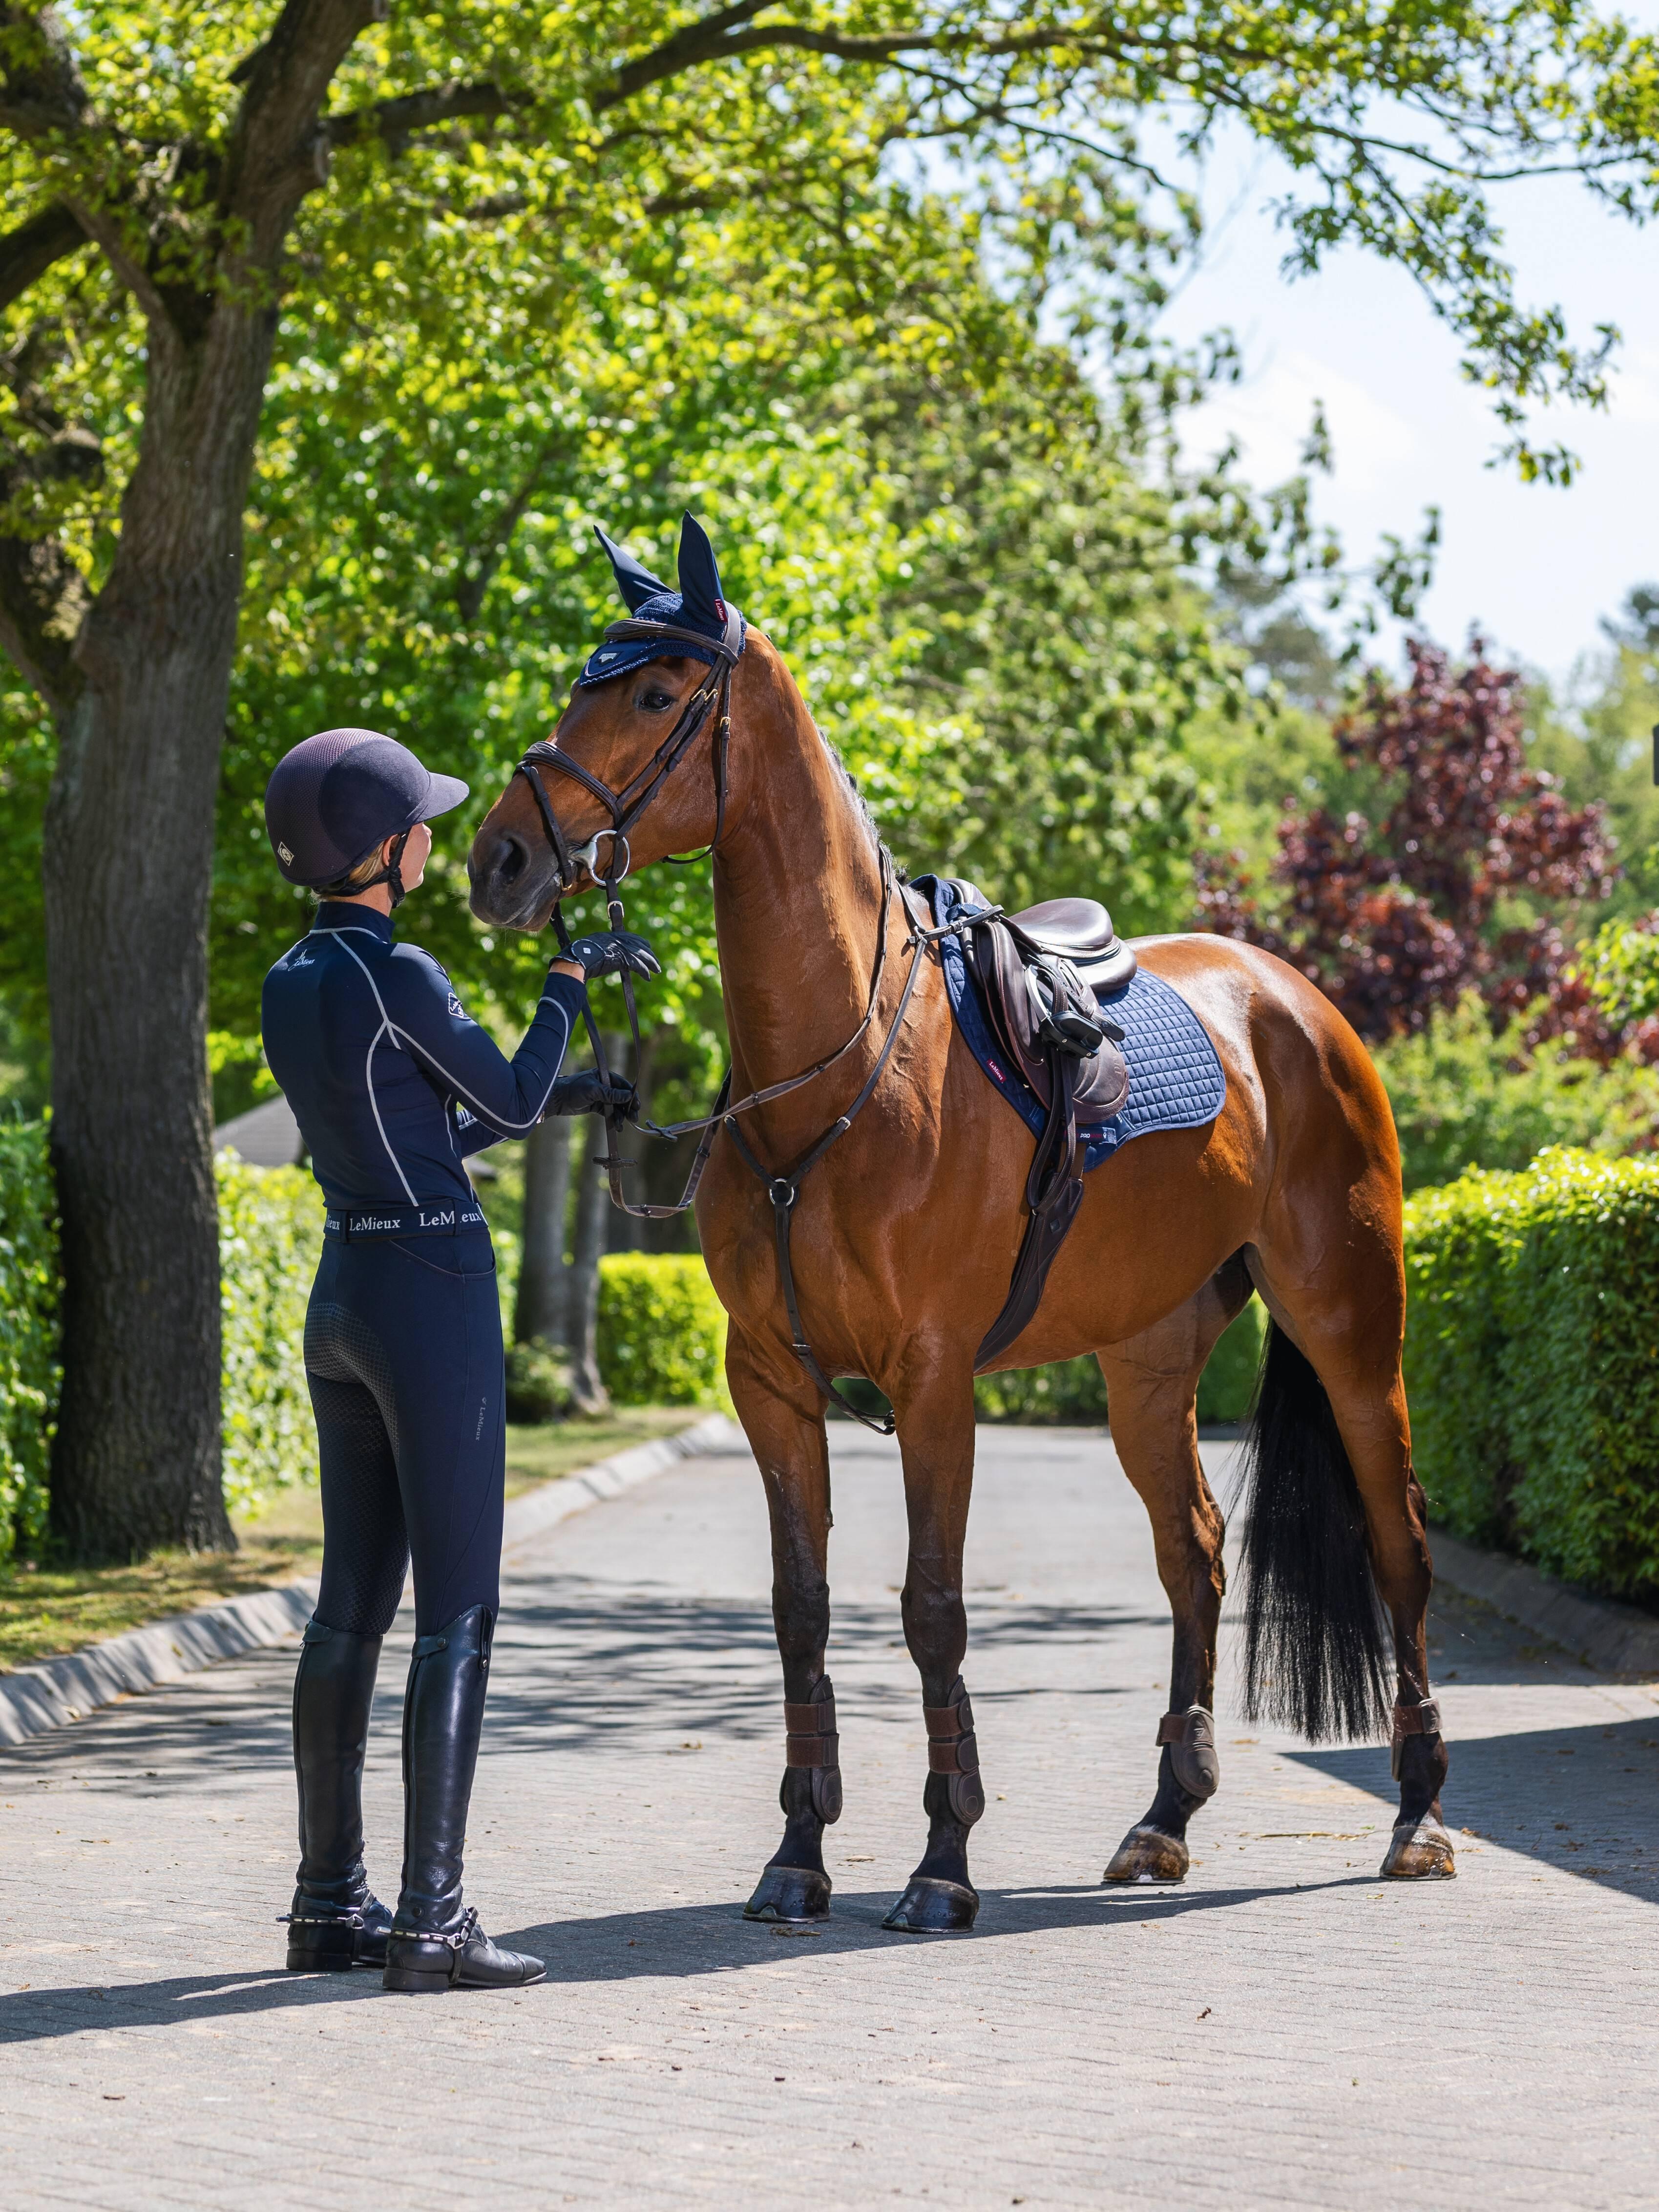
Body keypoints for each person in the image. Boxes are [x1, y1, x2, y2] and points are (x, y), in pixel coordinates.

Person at [260, 726, 656, 1994]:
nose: (435, 832)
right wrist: (569, 986)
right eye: (420, 821)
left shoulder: (292, 980)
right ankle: (433, 1920)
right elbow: (512, 1097)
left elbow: (433, 1118)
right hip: (430, 1291)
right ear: (386, 852)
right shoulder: (402, 971)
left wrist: (571, 1084)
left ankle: (328, 1908)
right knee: (460, 1611)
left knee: (349, 1612)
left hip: (345, 1286)